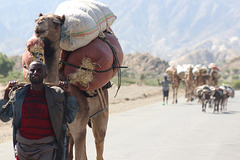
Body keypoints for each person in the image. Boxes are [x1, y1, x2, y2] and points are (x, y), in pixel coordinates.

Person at [0, 60, 79, 160]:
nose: (35, 73)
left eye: (39, 70)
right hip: (23, 149)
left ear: (45, 74)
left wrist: (68, 94)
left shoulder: (56, 95)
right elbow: (4, 116)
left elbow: (70, 117)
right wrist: (6, 93)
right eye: (32, 70)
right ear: (28, 74)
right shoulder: (20, 95)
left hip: (47, 149)